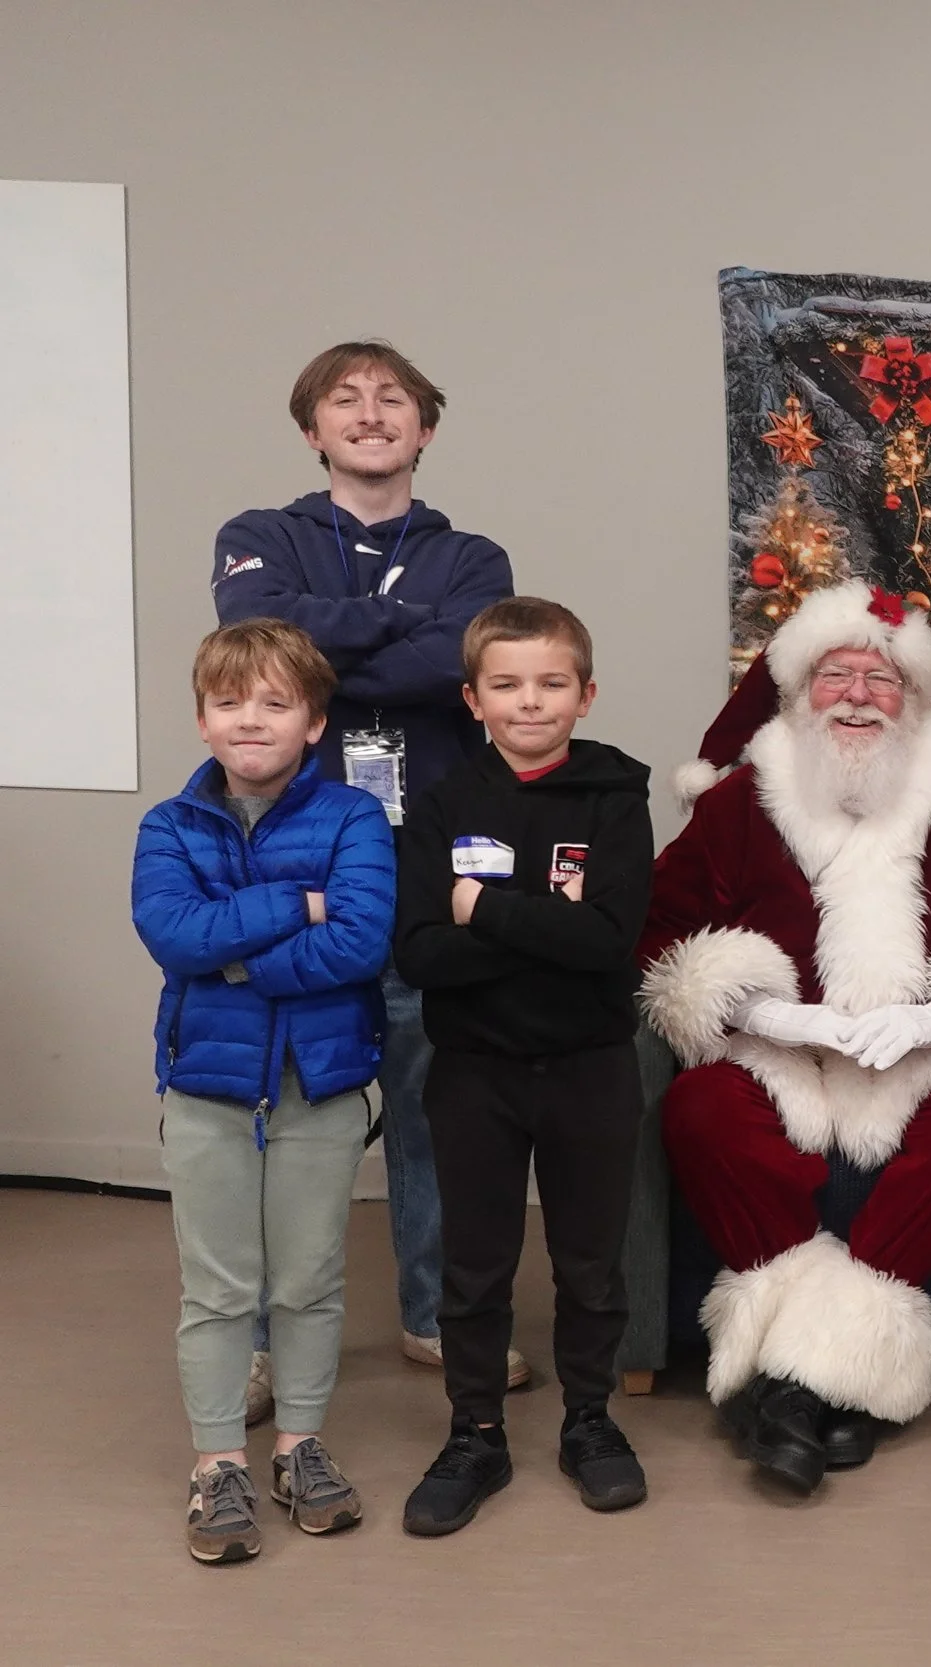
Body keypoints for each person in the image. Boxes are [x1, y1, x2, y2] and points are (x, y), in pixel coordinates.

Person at [638, 579, 931, 1496]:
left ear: (913, 698)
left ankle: (789, 1382)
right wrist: (769, 1011)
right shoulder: (739, 801)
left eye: (882, 678)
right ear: (798, 690)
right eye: (836, 672)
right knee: (699, 1105)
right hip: (780, 1057)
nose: (857, 694)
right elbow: (666, 932)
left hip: (916, 1062)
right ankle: (839, 1379)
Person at [211, 342, 524, 1399]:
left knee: (433, 1107)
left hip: (424, 865)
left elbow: (459, 665)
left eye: (393, 399)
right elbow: (255, 647)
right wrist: (396, 628)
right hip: (295, 860)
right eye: (345, 400)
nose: (371, 412)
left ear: (424, 429)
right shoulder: (258, 537)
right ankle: (257, 1342)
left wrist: (327, 638)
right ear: (313, 429)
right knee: (280, 1115)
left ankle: (433, 1315)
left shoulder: (474, 559)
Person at [132, 620, 395, 1562]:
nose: (253, 720)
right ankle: (217, 1464)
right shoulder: (168, 825)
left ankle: (300, 1445)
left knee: (308, 1278)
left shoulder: (355, 819)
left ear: (314, 723)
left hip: (319, 1088)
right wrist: (297, 903)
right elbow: (174, 936)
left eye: (277, 703)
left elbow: (361, 941)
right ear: (203, 719)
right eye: (231, 701)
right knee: (217, 1287)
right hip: (207, 1086)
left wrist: (234, 958)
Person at [393, 599, 655, 1535]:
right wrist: (555, 928)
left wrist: (483, 907)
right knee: (474, 1268)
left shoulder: (617, 798)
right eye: (505, 684)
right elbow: (419, 954)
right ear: (473, 698)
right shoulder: (440, 807)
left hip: (589, 1068)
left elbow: (613, 945)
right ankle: (475, 1432)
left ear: (586, 694)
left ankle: (590, 1421)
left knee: (590, 1263)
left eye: (551, 684)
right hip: (475, 1072)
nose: (529, 702)